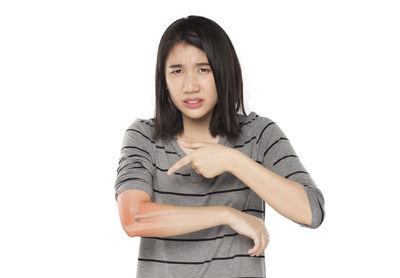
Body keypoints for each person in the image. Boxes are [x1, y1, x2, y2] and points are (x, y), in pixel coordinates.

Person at [114, 15, 325, 278]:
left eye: (204, 69)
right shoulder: (144, 136)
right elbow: (134, 219)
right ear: (164, 80)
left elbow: (311, 212)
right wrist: (227, 215)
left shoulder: (258, 134)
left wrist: (232, 161)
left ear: (224, 72)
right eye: (177, 71)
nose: (190, 86)